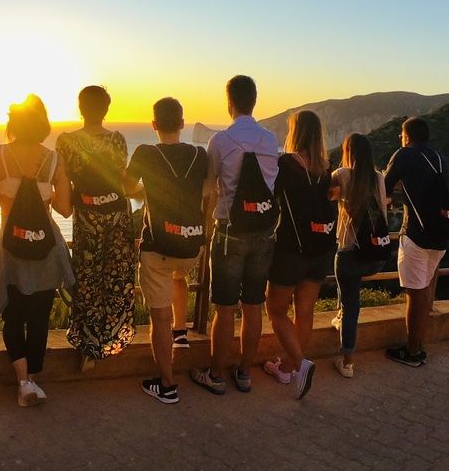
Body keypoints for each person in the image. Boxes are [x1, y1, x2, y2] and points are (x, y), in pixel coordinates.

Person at [191, 75, 279, 395]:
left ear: (229, 103)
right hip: (265, 232)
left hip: (230, 232)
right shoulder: (271, 140)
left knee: (225, 307)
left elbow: (210, 188)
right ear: (254, 102)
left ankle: (215, 374)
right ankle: (244, 373)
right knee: (253, 305)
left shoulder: (220, 141)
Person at [0, 95, 73, 406]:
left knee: (13, 316)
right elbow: (64, 208)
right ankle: (32, 382)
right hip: (46, 248)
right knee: (39, 317)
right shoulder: (53, 160)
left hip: (11, 246)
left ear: (13, 123)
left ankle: (22, 381)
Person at [124, 97, 208, 404]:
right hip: (191, 246)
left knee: (158, 319)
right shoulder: (200, 155)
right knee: (179, 276)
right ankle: (181, 332)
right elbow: (208, 190)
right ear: (183, 123)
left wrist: (148, 192)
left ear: (154, 125)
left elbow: (127, 187)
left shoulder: (146, 152)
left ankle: (167, 385)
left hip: (158, 247)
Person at [56, 86, 136, 372]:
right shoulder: (118, 140)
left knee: (88, 283)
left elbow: (64, 205)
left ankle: (88, 351)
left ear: (80, 108)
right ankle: (111, 342)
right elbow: (124, 181)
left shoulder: (65, 142)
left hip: (88, 222)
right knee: (115, 281)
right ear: (106, 109)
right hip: (117, 220)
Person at [262, 111, 334, 400]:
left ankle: (300, 364)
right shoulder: (326, 167)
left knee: (276, 310)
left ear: (296, 133)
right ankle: (289, 367)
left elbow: (270, 197)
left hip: (292, 248)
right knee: (305, 310)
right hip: (322, 246)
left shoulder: (285, 164)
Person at [383, 117, 449, 366]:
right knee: (423, 292)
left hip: (416, 234)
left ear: (407, 136)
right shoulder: (439, 157)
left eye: (401, 135)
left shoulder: (404, 154)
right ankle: (418, 346)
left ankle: (412, 352)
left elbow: (384, 186)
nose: (400, 139)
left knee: (415, 295)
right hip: (441, 234)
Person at [331, 133, 391, 377]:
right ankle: (339, 315)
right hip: (377, 255)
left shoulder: (342, 174)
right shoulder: (378, 177)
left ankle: (347, 362)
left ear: (348, 152)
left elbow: (326, 197)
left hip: (350, 254)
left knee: (350, 301)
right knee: (348, 294)